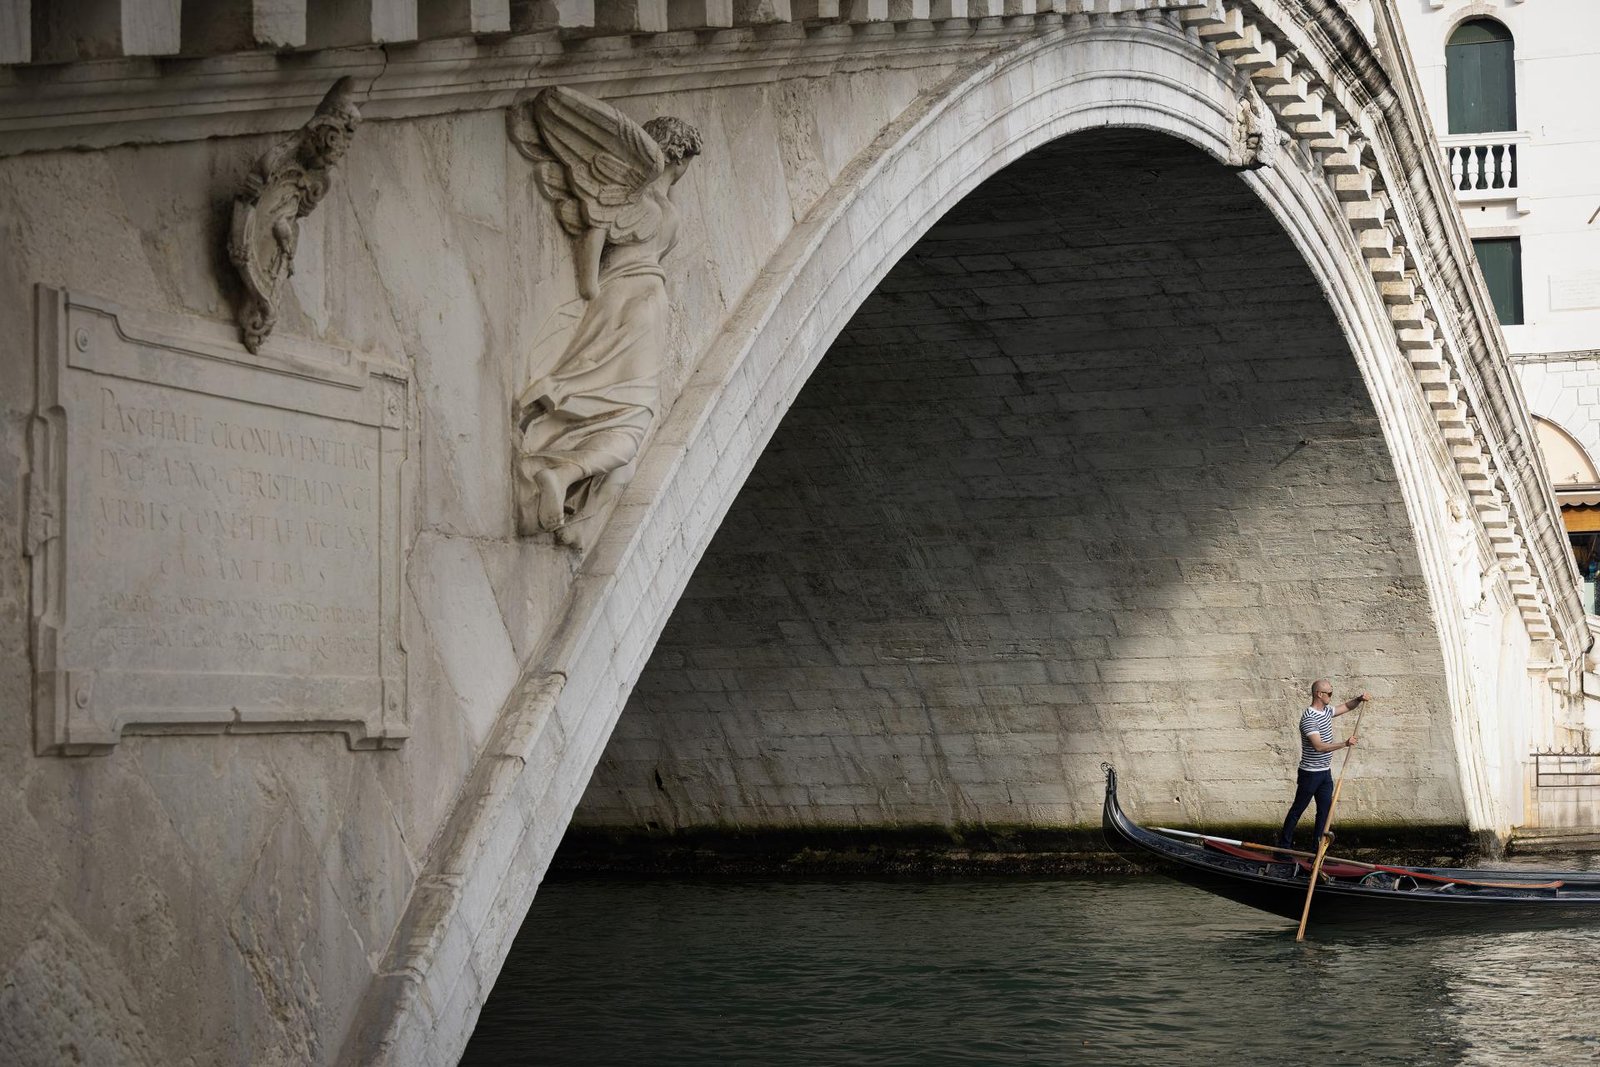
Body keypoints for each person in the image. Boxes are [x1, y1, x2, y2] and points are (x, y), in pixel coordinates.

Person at [1278, 681, 1371, 851]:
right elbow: (1319, 746)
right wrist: (1345, 743)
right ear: (1319, 694)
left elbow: (1346, 707)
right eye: (1329, 693)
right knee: (1297, 810)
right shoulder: (1309, 718)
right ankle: (1283, 849)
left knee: (1324, 814)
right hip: (1310, 774)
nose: (1331, 696)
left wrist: (1359, 699)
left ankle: (1316, 852)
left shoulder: (1326, 711)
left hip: (1324, 773)